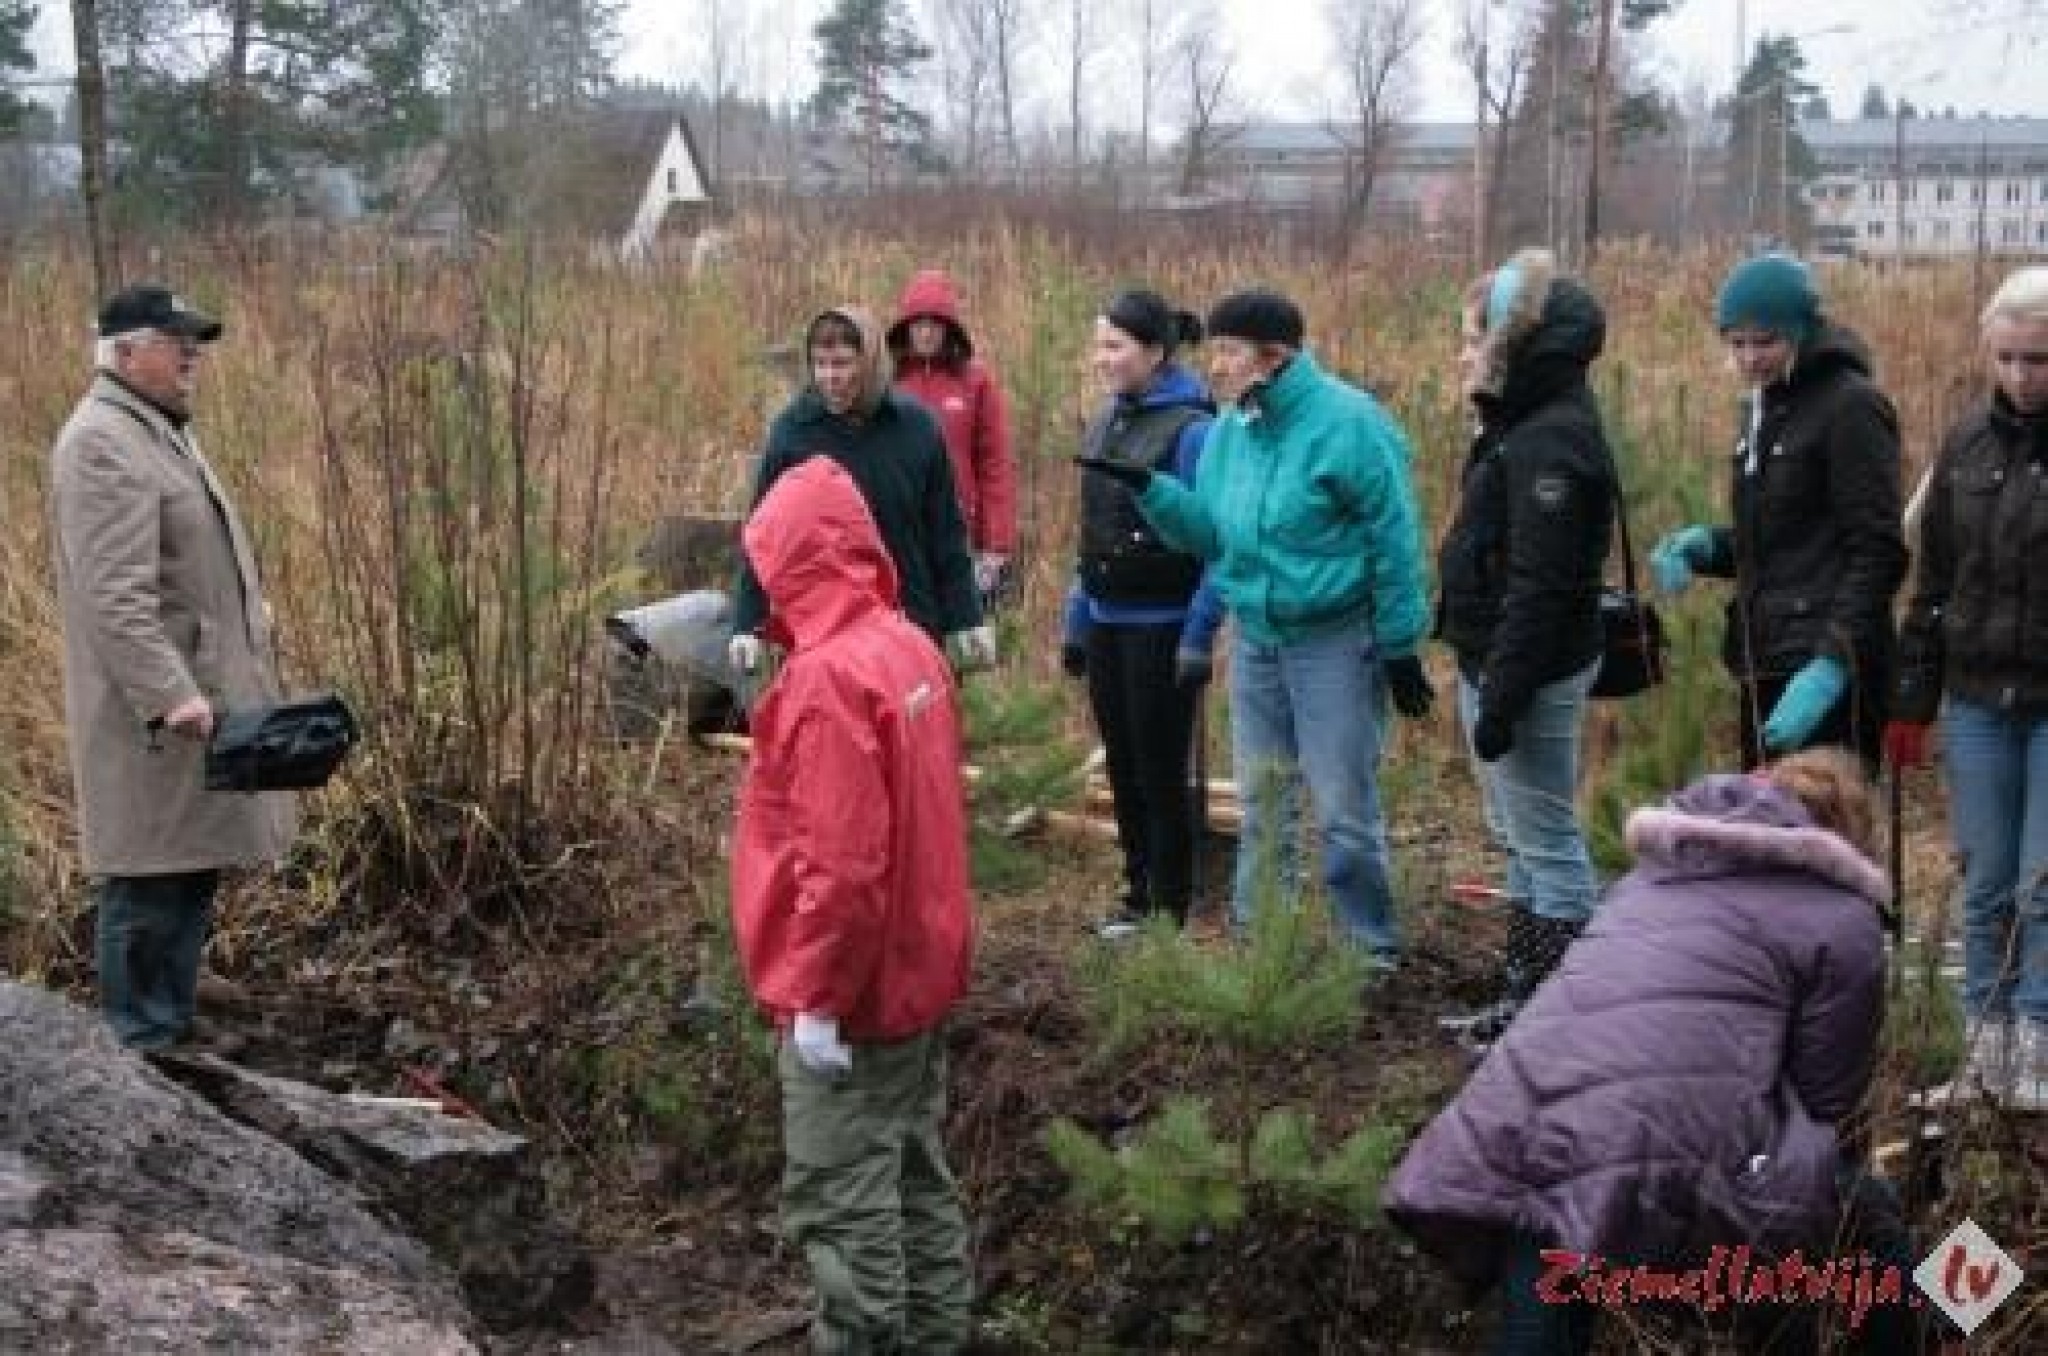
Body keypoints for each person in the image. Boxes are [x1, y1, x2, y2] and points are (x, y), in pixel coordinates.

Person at [1385, 750, 1921, 1356]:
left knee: (1551, 1253)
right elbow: (1828, 1102)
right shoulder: (1842, 916)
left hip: (1518, 1117)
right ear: (1848, 835)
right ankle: (1952, 1328)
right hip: (1654, 1149)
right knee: (1870, 1217)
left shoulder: (1652, 876)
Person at [1080, 288, 1433, 966]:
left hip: (1333, 641)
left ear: (1275, 357)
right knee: (1264, 804)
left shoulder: (1350, 423)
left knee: (1341, 808)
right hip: (1257, 642)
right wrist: (1151, 491)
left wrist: (1397, 644)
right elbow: (1213, 536)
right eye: (1212, 350)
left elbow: (1394, 538)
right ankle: (1261, 948)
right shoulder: (1233, 433)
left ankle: (1369, 951)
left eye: (1229, 351)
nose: (1215, 365)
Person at [730, 456, 976, 1354]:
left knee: (844, 1200)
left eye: (767, 557)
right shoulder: (905, 642)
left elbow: (839, 866)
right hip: (918, 971)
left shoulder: (827, 681)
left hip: (858, 994)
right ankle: (939, 1339)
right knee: (914, 1177)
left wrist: (817, 1000)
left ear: (795, 558)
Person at [49, 283, 295, 1052]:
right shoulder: (100, 442)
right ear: (124, 352)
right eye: (175, 340)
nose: (193, 354)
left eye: (196, 341)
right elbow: (115, 597)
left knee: (189, 863)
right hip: (153, 716)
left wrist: (249, 624)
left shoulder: (154, 429)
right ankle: (139, 1045)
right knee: (149, 874)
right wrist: (170, 695)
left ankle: (169, 1022)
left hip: (198, 696)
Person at [1434, 250, 1616, 1047]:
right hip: (1498, 662)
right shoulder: (1521, 423)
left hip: (1529, 672)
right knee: (1521, 842)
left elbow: (1543, 586)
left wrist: (1502, 696)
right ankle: (1525, 1000)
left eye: (1474, 337)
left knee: (1548, 843)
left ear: (1512, 342)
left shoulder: (1552, 439)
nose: (1462, 353)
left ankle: (1562, 1024)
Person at [1890, 265, 2048, 1112]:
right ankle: (1985, 1057)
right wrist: (1912, 698)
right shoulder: (1964, 446)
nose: (2024, 375)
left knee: (2042, 882)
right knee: (1986, 878)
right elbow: (1936, 581)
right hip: (1979, 698)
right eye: (2011, 357)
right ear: (1989, 352)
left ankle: (2038, 1053)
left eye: (2042, 359)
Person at [1651, 254, 1907, 769]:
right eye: (1736, 342)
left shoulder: (1852, 407)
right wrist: (1710, 546)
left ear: (1801, 331)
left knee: (1820, 838)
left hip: (1827, 667)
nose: (1748, 358)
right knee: (1765, 836)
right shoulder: (1762, 409)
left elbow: (1877, 550)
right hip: (1763, 656)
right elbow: (1786, 539)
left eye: (1764, 341)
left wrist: (1833, 665)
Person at [1059, 289, 1225, 938]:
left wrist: (1198, 633)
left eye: (1116, 346)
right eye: (1098, 344)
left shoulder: (1194, 429)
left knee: (1161, 771)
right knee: (1123, 763)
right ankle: (1136, 895)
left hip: (1163, 625)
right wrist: (1077, 622)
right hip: (1107, 618)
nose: (1102, 358)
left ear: (1155, 351)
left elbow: (1214, 540)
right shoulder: (1105, 421)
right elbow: (1092, 531)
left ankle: (1170, 909)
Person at [730, 304, 992, 680]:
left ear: (869, 363)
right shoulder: (794, 433)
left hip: (910, 619)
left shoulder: (916, 429)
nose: (829, 377)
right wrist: (747, 624)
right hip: (824, 633)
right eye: (820, 364)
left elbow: (946, 532)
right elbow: (762, 538)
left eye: (841, 364)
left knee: (913, 728)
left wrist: (966, 617)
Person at [887, 268, 1017, 608]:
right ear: (906, 327)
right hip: (898, 536)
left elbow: (995, 464)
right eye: (918, 323)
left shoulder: (975, 383)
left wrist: (996, 544)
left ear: (949, 328)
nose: (926, 332)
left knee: (961, 641)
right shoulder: (887, 383)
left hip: (960, 537)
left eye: (935, 323)